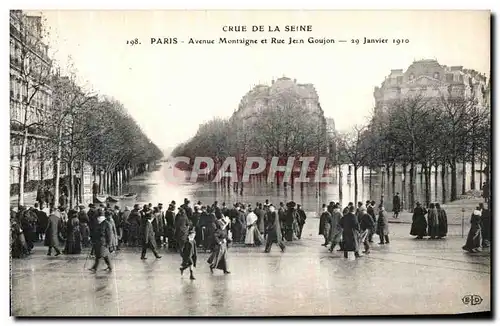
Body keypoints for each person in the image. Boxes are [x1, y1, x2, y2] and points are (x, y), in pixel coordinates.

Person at [89, 208, 113, 273]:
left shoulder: (107, 223)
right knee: (104, 255)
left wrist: (109, 244)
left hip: (103, 242)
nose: (97, 219)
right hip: (97, 242)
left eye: (99, 217)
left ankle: (95, 268)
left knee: (99, 255)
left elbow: (109, 235)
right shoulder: (97, 223)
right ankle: (110, 266)